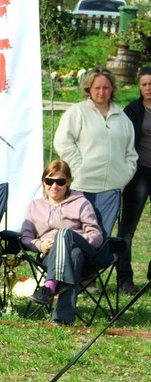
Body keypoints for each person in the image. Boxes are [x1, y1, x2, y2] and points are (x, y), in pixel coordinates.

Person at [21, 159, 103, 325]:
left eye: (60, 181)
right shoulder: (34, 206)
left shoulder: (81, 203)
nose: (54, 186)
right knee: (74, 256)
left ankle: (50, 286)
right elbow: (25, 237)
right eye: (49, 181)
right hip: (50, 255)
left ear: (69, 182)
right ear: (43, 182)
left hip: (82, 247)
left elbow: (96, 235)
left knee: (65, 234)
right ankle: (62, 319)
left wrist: (71, 239)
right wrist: (39, 245)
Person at [53, 67, 136, 196]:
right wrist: (78, 169)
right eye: (97, 88)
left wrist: (124, 174)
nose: (101, 92)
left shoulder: (123, 118)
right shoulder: (77, 112)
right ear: (89, 89)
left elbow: (130, 153)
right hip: (82, 186)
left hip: (113, 188)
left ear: (112, 89)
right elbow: (62, 142)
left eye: (106, 88)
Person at [120, 67, 151, 295]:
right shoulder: (132, 110)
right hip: (139, 171)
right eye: (144, 85)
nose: (149, 89)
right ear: (139, 87)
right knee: (128, 228)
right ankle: (124, 278)